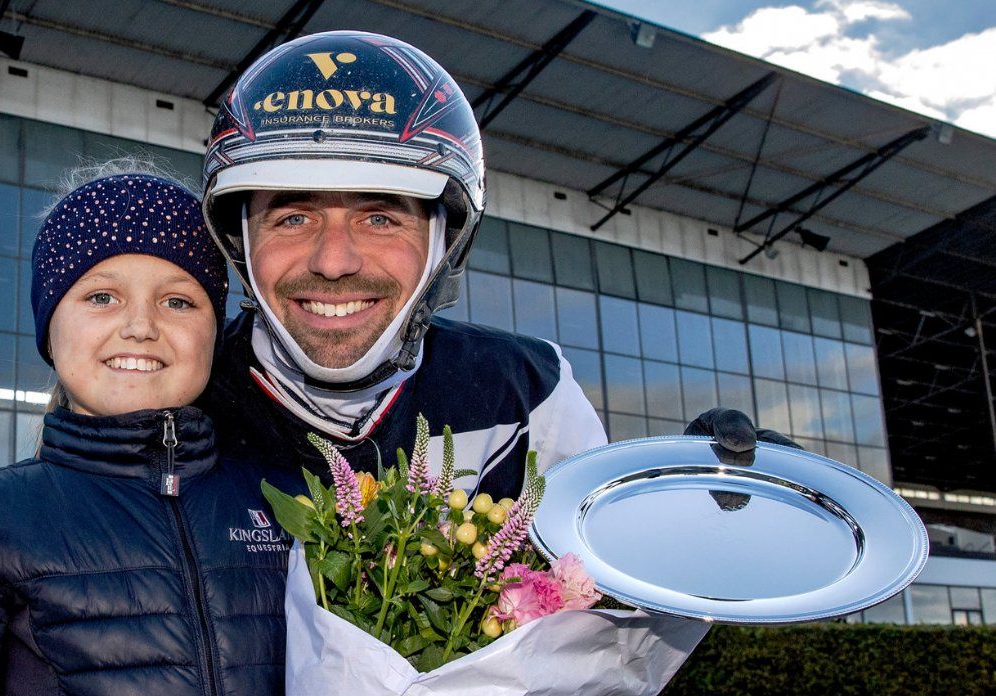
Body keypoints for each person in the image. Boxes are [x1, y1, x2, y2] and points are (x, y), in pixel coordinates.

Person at [195, 30, 793, 490]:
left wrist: (676, 520)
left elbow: (600, 597)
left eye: (380, 218)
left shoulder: (529, 393)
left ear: (446, 238)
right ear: (240, 239)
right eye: (293, 218)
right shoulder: (182, 395)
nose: (333, 262)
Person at [0, 169, 292, 696]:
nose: (141, 326)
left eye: (178, 301)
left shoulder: (287, 504)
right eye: (102, 296)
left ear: (214, 334)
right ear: (51, 329)